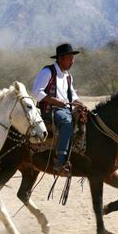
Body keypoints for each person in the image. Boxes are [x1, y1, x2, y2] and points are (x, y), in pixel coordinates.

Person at [32, 43, 87, 175]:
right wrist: (53, 100)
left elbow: (72, 95)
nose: (72, 61)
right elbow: (35, 92)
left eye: (73, 59)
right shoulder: (47, 72)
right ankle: (60, 162)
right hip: (51, 110)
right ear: (61, 58)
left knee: (85, 118)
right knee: (67, 123)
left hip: (66, 109)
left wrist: (80, 103)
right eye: (70, 58)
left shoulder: (68, 76)